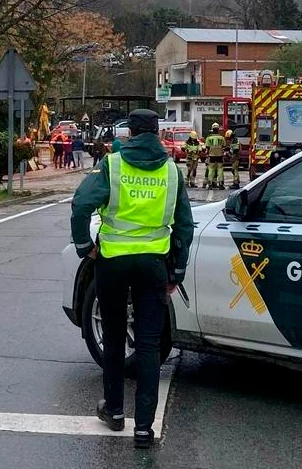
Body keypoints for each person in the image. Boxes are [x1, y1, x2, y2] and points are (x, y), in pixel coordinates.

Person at [70, 108, 194, 449]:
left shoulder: (113, 164)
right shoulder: (171, 170)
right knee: (150, 345)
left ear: (130, 134)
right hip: (153, 265)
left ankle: (113, 410)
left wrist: (85, 246)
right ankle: (143, 428)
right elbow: (184, 225)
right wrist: (177, 270)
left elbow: (81, 204)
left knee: (112, 337)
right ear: (157, 132)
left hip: (112, 263)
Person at [204, 122, 226, 190]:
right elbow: (224, 146)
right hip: (220, 156)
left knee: (211, 169)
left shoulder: (209, 138)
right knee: (220, 169)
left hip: (212, 156)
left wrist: (207, 154)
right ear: (218, 129)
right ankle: (221, 184)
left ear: (212, 129)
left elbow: (207, 147)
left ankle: (210, 184)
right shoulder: (222, 138)